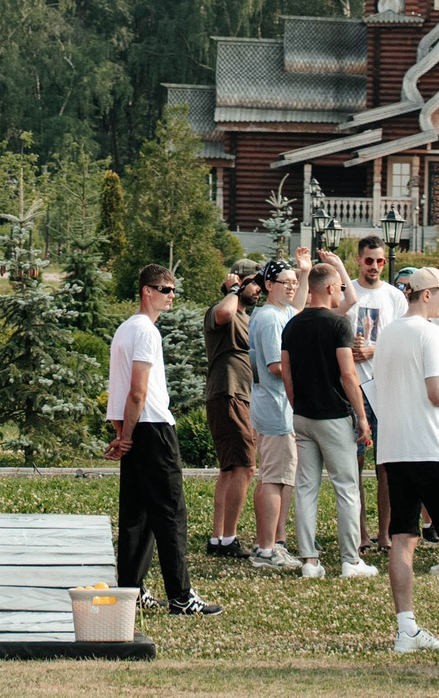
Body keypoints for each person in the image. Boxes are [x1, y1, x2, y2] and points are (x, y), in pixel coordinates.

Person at [373, 266, 439, 653]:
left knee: (402, 536)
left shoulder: (387, 334)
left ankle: (407, 629)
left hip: (395, 449)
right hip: (431, 448)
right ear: (427, 295)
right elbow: (438, 394)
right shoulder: (430, 334)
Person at [102, 264, 220, 615]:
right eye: (164, 289)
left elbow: (118, 391)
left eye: (172, 289)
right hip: (152, 429)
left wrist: (122, 433)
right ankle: (181, 596)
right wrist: (127, 435)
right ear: (146, 292)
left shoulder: (125, 330)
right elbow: (136, 391)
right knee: (170, 514)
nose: (171, 295)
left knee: (137, 515)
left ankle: (131, 590)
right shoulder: (145, 333)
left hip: (135, 428)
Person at [284, 263, 379, 580]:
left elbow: (287, 373)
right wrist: (362, 417)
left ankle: (310, 561)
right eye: (339, 286)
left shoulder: (292, 325)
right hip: (334, 415)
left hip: (303, 415)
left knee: (306, 488)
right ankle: (350, 561)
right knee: (347, 488)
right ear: (328, 288)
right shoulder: (338, 325)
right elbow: (348, 373)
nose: (341, 291)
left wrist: (296, 403)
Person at [350, 237, 409, 548]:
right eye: (369, 260)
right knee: (354, 463)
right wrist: (351, 349)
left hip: (386, 387)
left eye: (380, 261)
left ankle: (385, 533)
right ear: (359, 260)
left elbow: (401, 340)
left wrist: (375, 349)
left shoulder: (393, 297)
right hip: (354, 388)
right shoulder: (349, 292)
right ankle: (360, 532)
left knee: (386, 464)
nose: (374, 266)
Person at [246, 261, 302, 570]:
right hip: (275, 409)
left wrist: (305, 271)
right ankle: (266, 549)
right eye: (286, 281)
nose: (292, 286)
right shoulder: (268, 319)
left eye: (295, 281)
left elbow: (303, 306)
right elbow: (275, 366)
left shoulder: (283, 313)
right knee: (273, 479)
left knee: (281, 478)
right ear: (269, 285)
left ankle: (274, 543)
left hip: (282, 409)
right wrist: (310, 370)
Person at [203, 263, 261, 558]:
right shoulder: (222, 308)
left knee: (229, 469)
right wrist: (234, 289)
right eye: (255, 282)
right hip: (229, 392)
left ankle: (218, 538)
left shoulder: (247, 316)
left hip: (238, 394)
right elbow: (223, 314)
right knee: (244, 467)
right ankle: (228, 539)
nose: (259, 288)